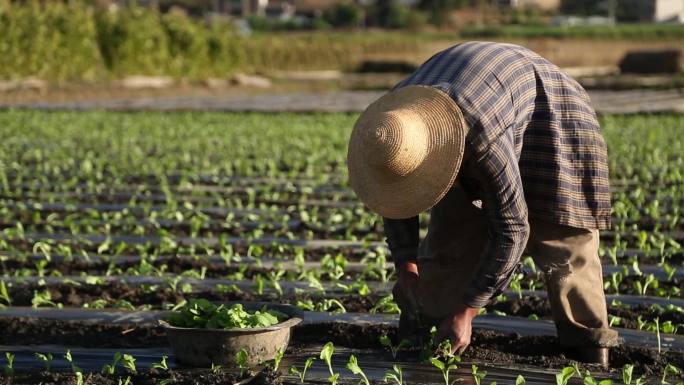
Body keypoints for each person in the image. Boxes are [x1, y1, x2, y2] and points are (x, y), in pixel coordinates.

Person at [346, 41, 618, 365]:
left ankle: (589, 352)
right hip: (484, 108)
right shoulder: (395, 122)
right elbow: (396, 200)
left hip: (556, 118)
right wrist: (406, 266)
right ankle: (426, 330)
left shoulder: (482, 138)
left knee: (564, 248)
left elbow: (514, 228)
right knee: (450, 243)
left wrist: (469, 309)